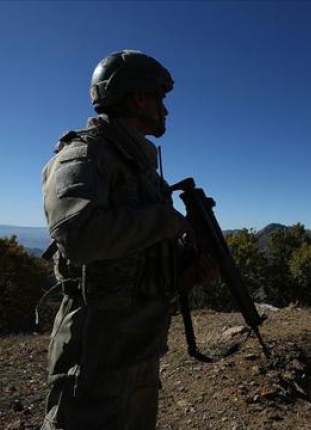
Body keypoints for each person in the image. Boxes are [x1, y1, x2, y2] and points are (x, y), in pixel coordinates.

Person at [40, 50, 216, 430]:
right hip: (95, 354)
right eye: (160, 98)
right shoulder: (83, 156)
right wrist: (167, 221)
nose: (166, 111)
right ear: (138, 98)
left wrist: (185, 269)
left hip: (139, 347)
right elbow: (80, 236)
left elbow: (137, 254)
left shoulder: (142, 170)